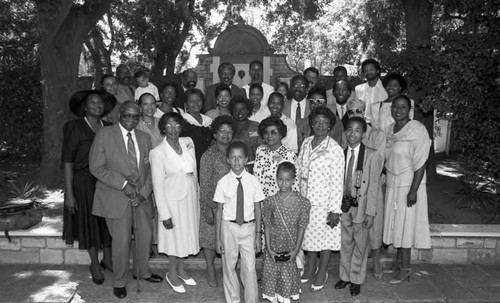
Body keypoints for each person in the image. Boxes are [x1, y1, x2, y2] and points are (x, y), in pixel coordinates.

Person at [89, 101, 163, 299]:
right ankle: (120, 281)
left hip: (141, 198)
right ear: (119, 115)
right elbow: (96, 167)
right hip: (116, 197)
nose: (131, 120)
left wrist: (143, 193)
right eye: (127, 115)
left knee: (145, 237)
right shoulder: (104, 135)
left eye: (135, 116)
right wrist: (124, 185)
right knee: (121, 242)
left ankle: (142, 272)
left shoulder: (145, 138)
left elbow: (151, 171)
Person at [62, 90, 115, 285]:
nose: (97, 105)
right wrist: (69, 194)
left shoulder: (109, 127)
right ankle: (94, 263)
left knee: (106, 222)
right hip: (83, 183)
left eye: (100, 102)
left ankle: (107, 259)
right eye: (92, 102)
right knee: (89, 222)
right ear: (84, 106)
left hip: (106, 182)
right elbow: (67, 161)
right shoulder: (74, 127)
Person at [150, 112, 200, 294]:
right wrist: (164, 214)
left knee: (185, 235)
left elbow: (193, 173)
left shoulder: (188, 142)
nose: (173, 129)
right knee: (173, 238)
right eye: (169, 126)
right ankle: (171, 274)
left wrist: (197, 194)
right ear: (163, 128)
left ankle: (181, 269)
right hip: (172, 201)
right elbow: (157, 186)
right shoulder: (157, 152)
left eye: (177, 125)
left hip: (189, 198)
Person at [383, 95, 431, 284]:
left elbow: (421, 163)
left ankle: (405, 269)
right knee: (396, 224)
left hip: (409, 185)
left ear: (409, 109)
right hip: (393, 185)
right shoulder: (389, 130)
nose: (398, 110)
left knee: (406, 226)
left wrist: (413, 191)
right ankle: (397, 263)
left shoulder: (417, 129)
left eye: (403, 107)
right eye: (395, 107)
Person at [335, 117, 383, 296]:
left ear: (363, 134)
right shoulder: (341, 152)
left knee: (360, 244)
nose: (352, 133)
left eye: (357, 130)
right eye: (349, 129)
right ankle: (345, 276)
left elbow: (374, 187)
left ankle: (356, 278)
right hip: (344, 206)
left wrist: (371, 213)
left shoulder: (371, 154)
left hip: (361, 207)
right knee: (345, 243)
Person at [297, 107, 344, 292]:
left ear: (330, 126)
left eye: (325, 123)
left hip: (324, 204)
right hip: (305, 201)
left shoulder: (334, 149)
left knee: (324, 240)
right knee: (309, 239)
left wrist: (334, 210)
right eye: (317, 122)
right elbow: (299, 169)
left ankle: (322, 271)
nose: (320, 126)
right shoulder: (307, 143)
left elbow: (337, 181)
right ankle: (310, 268)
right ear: (311, 123)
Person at [214, 141, 265, 303]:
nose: (236, 161)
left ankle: (251, 300)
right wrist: (217, 238)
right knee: (229, 267)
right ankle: (233, 300)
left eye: (240, 157)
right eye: (233, 158)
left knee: (249, 268)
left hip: (249, 228)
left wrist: (258, 235)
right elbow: (218, 212)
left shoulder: (254, 181)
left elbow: (258, 209)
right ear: (227, 160)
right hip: (229, 227)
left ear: (246, 159)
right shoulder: (223, 182)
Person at [346, 98, 386, 280]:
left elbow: (377, 166)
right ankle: (350, 271)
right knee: (354, 233)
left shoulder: (377, 134)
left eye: (359, 111)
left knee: (374, 227)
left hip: (372, 188)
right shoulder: (347, 133)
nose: (355, 115)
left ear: (365, 112)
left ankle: (376, 261)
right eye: (351, 112)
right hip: (352, 191)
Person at [261, 162, 311, 303]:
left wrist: (296, 250)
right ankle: (273, 296)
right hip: (274, 246)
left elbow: (302, 226)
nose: (283, 183)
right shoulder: (270, 201)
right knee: (272, 274)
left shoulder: (302, 202)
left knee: (287, 275)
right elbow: (267, 225)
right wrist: (269, 248)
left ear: (294, 180)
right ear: (276, 178)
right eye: (280, 179)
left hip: (290, 247)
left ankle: (285, 297)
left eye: (288, 180)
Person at [199, 115, 234, 288]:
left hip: (231, 206)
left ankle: (228, 270)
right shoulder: (209, 155)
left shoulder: (235, 152)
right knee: (210, 239)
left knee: (228, 240)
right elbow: (204, 184)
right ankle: (210, 268)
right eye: (222, 131)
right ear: (214, 134)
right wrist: (207, 208)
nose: (226, 135)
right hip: (213, 205)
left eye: (229, 131)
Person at [254, 116, 298, 198]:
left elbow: (295, 185)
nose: (269, 136)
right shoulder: (260, 151)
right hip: (259, 200)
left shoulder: (289, 155)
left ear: (281, 134)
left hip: (279, 203)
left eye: (273, 132)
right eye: (266, 132)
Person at [181, 88, 213, 174]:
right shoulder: (182, 122)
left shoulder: (209, 121)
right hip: (192, 166)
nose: (196, 104)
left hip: (210, 164)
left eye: (198, 100)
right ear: (186, 104)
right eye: (191, 101)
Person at [229, 95, 261, 163]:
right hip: (234, 166)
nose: (239, 112)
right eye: (236, 110)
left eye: (243, 109)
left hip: (255, 166)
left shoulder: (256, 126)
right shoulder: (229, 128)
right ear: (232, 111)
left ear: (248, 110)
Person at [355, 59, 388, 123]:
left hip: (382, 124)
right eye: (366, 70)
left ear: (377, 71)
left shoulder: (386, 88)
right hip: (364, 124)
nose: (368, 72)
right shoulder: (359, 89)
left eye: (371, 69)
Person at [283, 75, 311, 148]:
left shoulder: (312, 107)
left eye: (302, 86)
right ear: (291, 88)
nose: (298, 89)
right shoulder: (282, 106)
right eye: (295, 85)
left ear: (307, 89)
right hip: (286, 148)